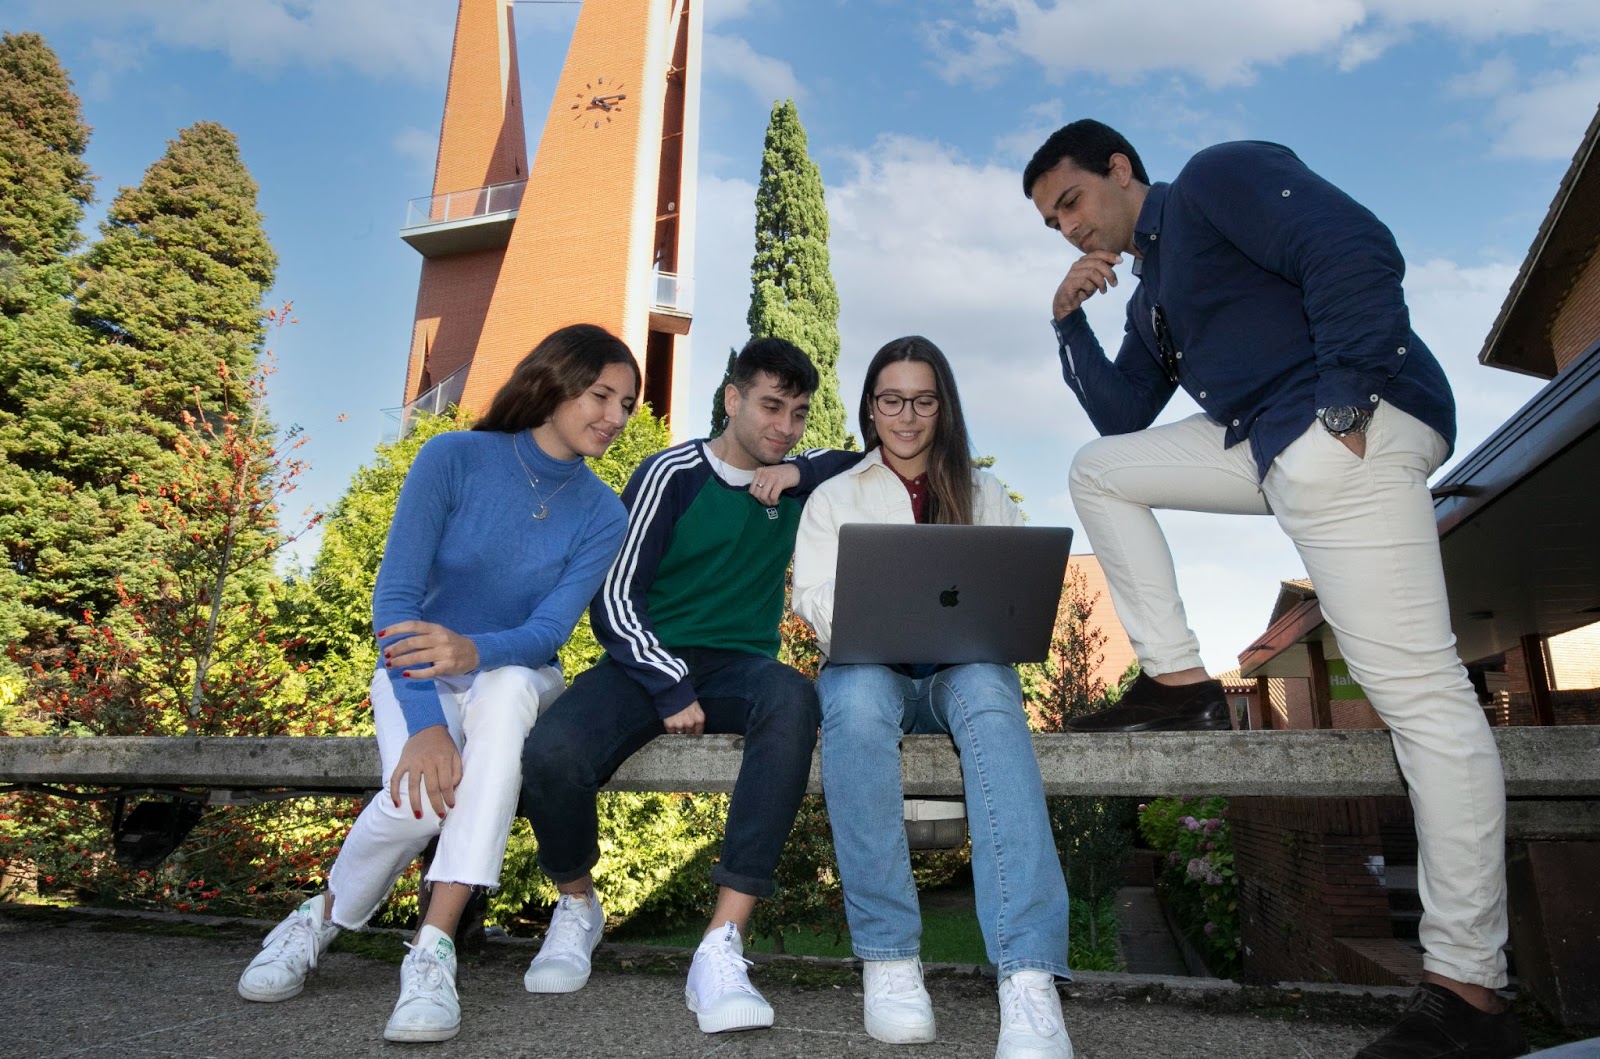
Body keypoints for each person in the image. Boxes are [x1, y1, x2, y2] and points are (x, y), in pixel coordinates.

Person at [1023, 119, 1524, 1059]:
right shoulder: (1153, 295)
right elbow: (1124, 412)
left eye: (1072, 201)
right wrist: (1066, 319)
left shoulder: (1217, 180)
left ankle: (1470, 993)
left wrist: (1348, 403)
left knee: (1420, 698)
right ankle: (1178, 682)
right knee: (1100, 468)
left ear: (1121, 170)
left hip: (1345, 423)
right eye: (1052, 222)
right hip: (1269, 440)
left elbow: (1353, 247)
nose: (1067, 228)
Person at [235, 324, 638, 1043]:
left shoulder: (605, 511)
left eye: (628, 404)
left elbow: (548, 632)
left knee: (512, 684)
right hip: (414, 672)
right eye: (601, 394)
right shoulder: (451, 457)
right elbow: (395, 604)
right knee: (420, 807)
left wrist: (470, 649)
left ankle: (433, 947)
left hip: (512, 674)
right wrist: (423, 722)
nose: (614, 416)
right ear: (553, 381)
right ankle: (318, 917)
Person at [518, 336, 858, 1035]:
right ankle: (578, 904)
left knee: (794, 696)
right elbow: (613, 596)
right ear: (732, 400)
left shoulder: (793, 481)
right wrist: (668, 681)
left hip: (739, 666)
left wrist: (801, 470)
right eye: (769, 406)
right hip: (645, 661)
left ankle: (721, 942)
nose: (782, 426)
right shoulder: (670, 472)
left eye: (797, 414)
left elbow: (875, 458)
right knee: (550, 752)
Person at [792, 336, 1074, 1058]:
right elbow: (814, 598)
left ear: (943, 406)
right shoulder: (835, 496)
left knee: (989, 689)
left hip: (960, 672)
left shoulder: (985, 496)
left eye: (922, 400)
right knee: (851, 704)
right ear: (870, 407)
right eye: (892, 399)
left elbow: (1018, 597)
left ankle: (1028, 976)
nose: (907, 416)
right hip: (870, 666)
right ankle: (888, 958)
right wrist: (874, 620)